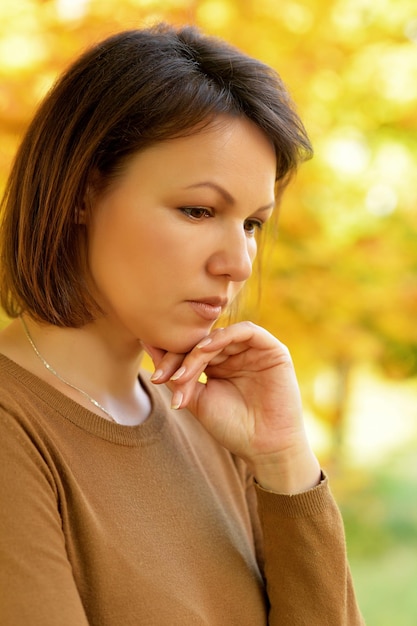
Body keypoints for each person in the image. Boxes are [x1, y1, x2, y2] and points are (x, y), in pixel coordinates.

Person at [0, 23, 364, 625]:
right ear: (80, 194)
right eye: (198, 210)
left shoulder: (215, 426)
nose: (239, 263)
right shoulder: (17, 431)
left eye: (251, 223)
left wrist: (283, 461)